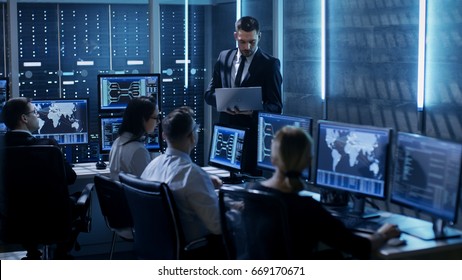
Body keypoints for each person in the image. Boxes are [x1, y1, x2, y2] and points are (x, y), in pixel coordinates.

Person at [249, 126, 401, 259]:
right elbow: (358, 247)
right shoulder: (307, 208)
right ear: (308, 161)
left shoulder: (251, 193)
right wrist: (383, 234)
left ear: (272, 157)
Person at [140, 106, 225, 259]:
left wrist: (204, 181)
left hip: (159, 248)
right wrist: (235, 210)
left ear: (165, 135)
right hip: (195, 249)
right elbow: (218, 226)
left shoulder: (152, 166)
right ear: (192, 137)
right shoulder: (193, 175)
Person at [1, 97, 79, 259]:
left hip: (11, 223)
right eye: (35, 112)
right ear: (24, 118)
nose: (39, 116)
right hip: (50, 223)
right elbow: (71, 178)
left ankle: (34, 252)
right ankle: (60, 253)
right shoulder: (48, 147)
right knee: (80, 197)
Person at [204, 16, 283, 174]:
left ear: (259, 36)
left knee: (247, 189)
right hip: (225, 136)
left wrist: (252, 111)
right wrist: (225, 104)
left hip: (251, 140)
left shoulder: (270, 65)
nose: (247, 47)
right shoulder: (224, 58)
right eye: (242, 41)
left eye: (252, 42)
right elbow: (208, 95)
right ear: (235, 36)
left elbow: (276, 107)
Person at [108, 96, 160, 181]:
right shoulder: (138, 151)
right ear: (142, 119)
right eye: (156, 118)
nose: (158, 121)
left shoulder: (117, 142)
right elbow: (149, 187)